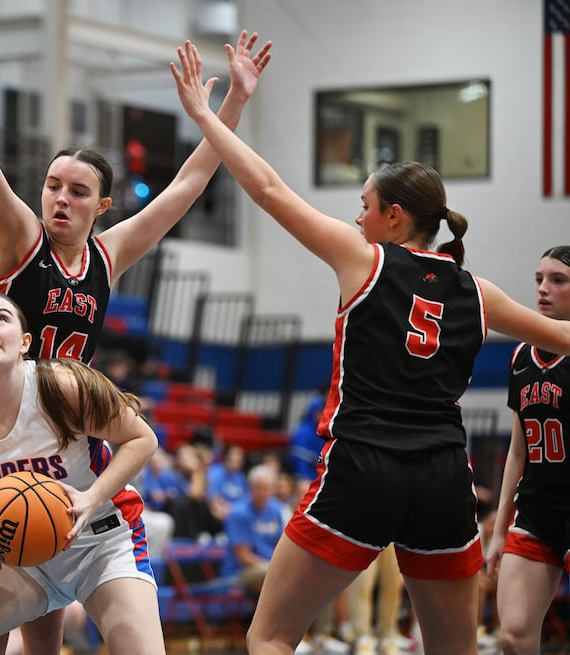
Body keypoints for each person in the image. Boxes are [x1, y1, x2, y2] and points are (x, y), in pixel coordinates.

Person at [0, 4, 271, 653]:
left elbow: (191, 179)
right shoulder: (18, 241)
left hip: (70, 440)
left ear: (103, 203)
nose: (59, 199)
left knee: (51, 626)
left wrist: (231, 100)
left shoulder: (107, 255)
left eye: (76, 190)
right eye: (51, 185)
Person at [171, 39, 570, 655]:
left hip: (363, 464)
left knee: (270, 635)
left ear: (393, 216)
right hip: (443, 476)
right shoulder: (478, 290)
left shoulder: (364, 259)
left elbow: (271, 190)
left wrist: (206, 113)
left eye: (364, 206)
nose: (357, 218)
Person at [0, 290, 163, 655]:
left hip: (101, 540)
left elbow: (142, 439)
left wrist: (91, 497)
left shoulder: (59, 386)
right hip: (20, 549)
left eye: (1, 318)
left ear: (24, 342)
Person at [485, 245, 570, 655]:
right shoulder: (521, 355)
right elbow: (518, 452)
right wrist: (500, 530)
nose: (543, 289)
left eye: (558, 280)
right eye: (539, 279)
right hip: (536, 510)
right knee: (513, 636)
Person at [221, 464, 285, 595]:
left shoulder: (276, 509)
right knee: (274, 575)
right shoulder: (238, 513)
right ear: (250, 489)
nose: (263, 493)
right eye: (258, 488)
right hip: (241, 571)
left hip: (269, 566)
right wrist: (274, 567)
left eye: (267, 489)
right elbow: (243, 557)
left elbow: (281, 546)